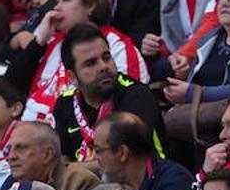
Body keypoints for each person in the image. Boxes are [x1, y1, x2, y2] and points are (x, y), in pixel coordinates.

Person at [11, 0, 147, 121]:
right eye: (57, 1)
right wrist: (38, 41)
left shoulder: (117, 46)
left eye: (65, 0)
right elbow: (10, 89)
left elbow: (128, 108)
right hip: (31, 131)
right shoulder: (52, 41)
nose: (57, 8)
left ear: (90, 5)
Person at [54, 24, 162, 162]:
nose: (103, 66)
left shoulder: (136, 95)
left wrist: (74, 171)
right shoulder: (65, 104)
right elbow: (63, 161)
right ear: (72, 76)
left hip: (148, 181)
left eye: (106, 57)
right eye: (91, 63)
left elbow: (122, 162)